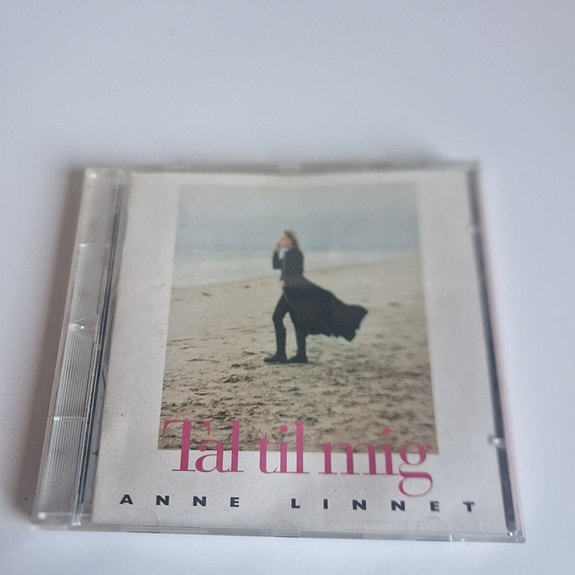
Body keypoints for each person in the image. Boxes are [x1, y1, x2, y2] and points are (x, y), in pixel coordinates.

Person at [264, 230, 368, 364]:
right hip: (290, 293)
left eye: (283, 238)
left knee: (278, 317)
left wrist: (286, 281)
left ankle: (284, 355)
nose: (281, 241)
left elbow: (298, 273)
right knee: (295, 321)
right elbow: (276, 266)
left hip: (294, 292)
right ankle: (298, 355)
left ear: (290, 239)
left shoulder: (296, 254)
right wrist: (275, 252)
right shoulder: (288, 254)